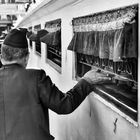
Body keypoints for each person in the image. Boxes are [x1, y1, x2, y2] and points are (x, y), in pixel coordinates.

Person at [0, 29, 111, 140]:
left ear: (1, 57)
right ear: (26, 58)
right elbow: (64, 105)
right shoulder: (36, 77)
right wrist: (87, 81)